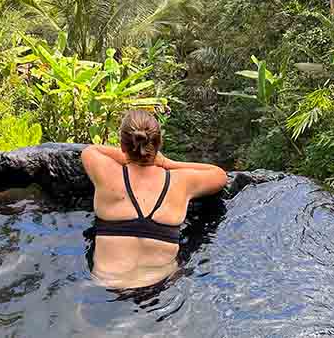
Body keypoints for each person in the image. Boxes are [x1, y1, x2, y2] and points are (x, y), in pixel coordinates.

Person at [82, 109, 228, 288]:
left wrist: (130, 155)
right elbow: (219, 174)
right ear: (158, 144)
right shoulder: (180, 182)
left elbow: (91, 150)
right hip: (159, 290)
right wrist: (168, 163)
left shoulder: (107, 173)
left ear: (122, 145)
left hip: (106, 286)